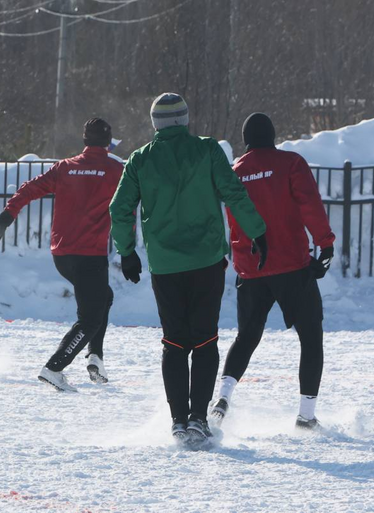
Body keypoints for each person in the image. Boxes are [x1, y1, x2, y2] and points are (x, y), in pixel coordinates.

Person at [109, 93, 267, 446]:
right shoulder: (208, 150)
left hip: (165, 265)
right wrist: (256, 231)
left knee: (174, 341)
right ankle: (199, 417)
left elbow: (119, 209)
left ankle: (178, 419)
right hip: (206, 261)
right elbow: (234, 193)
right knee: (206, 339)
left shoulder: (139, 160)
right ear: (184, 119)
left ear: (155, 124)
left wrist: (127, 251)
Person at [210, 113, 335, 430]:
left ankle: (222, 398)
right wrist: (325, 243)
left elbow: (233, 219)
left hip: (251, 269)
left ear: (245, 139)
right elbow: (309, 203)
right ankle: (306, 415)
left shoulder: (235, 171)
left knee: (246, 338)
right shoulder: (290, 163)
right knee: (310, 336)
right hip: (292, 265)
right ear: (273, 135)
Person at [0, 118, 123, 391]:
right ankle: (54, 367)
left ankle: (95, 357)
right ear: (108, 143)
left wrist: (6, 216)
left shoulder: (65, 167)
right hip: (90, 255)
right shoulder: (115, 169)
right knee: (90, 318)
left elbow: (28, 188)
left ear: (85, 140)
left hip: (62, 255)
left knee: (103, 298)